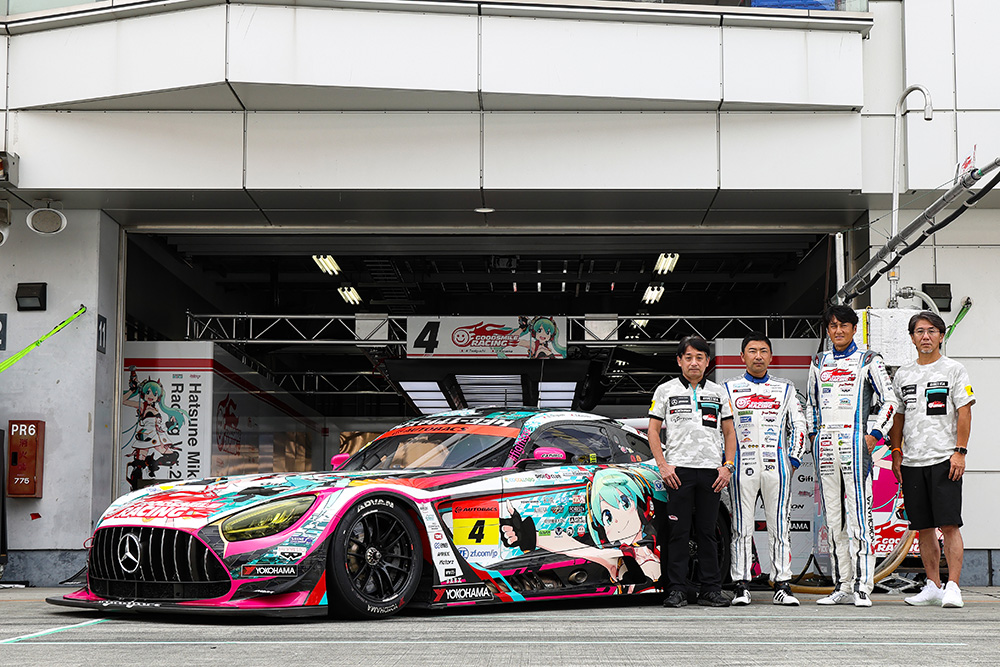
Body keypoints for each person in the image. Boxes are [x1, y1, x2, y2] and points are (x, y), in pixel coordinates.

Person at [806, 305, 898, 607]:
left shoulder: (868, 360)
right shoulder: (819, 362)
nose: (838, 330)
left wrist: (875, 435)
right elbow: (811, 405)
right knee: (833, 521)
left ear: (854, 329)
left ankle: (862, 587)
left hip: (856, 443)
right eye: (833, 326)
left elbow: (890, 401)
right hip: (826, 445)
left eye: (844, 325)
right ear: (828, 330)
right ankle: (842, 585)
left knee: (859, 518)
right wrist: (814, 436)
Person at [888, 311, 974, 608]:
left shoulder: (954, 369)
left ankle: (954, 587)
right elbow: (898, 416)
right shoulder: (903, 374)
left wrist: (960, 451)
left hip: (944, 458)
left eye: (932, 331)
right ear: (912, 338)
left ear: (941, 336)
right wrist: (896, 452)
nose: (925, 336)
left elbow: (965, 411)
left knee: (949, 525)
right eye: (919, 331)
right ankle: (933, 585)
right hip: (912, 461)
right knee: (922, 527)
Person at [649, 335, 736, 608]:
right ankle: (676, 589)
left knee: (708, 532)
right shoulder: (665, 390)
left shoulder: (719, 392)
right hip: (678, 472)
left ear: (708, 362)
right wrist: (663, 466)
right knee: (678, 532)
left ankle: (711, 589)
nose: (694, 362)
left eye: (700, 357)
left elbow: (730, 432)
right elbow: (653, 431)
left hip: (711, 472)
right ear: (679, 361)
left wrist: (728, 466)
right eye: (688, 357)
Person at [722, 332, 808, 606]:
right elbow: (720, 430)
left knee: (780, 526)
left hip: (777, 467)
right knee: (741, 527)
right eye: (752, 351)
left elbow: (800, 424)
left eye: (763, 351)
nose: (758, 356)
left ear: (771, 356)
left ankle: (782, 584)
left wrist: (793, 460)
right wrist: (725, 461)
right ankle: (741, 585)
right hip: (741, 467)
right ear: (742, 356)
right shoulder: (728, 388)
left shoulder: (785, 388)